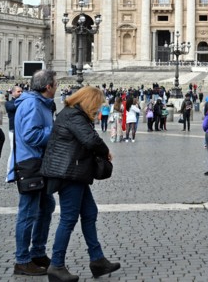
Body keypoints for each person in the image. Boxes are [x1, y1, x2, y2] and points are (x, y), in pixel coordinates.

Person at [41, 86, 121, 281]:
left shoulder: (71, 114)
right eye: (96, 105)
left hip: (75, 172)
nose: (96, 109)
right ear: (88, 102)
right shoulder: (74, 116)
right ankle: (56, 265)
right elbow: (91, 140)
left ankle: (97, 260)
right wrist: (105, 151)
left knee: (90, 213)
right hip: (69, 173)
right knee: (68, 219)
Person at [9, 69, 58, 276]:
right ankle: (22, 260)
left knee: (47, 205)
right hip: (30, 163)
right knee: (28, 212)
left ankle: (37, 252)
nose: (58, 87)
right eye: (56, 84)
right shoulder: (32, 104)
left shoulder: (41, 103)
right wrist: (57, 132)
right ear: (48, 86)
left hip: (40, 162)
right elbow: (31, 135)